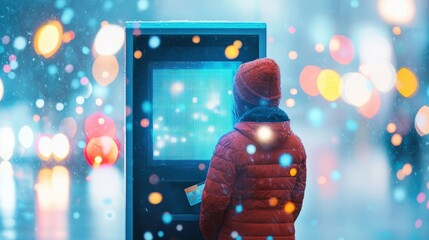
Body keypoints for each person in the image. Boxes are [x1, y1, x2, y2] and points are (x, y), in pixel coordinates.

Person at [199, 58, 307, 240]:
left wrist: (211, 234)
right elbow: (294, 204)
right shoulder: (296, 145)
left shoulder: (230, 145)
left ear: (241, 101)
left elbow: (213, 205)